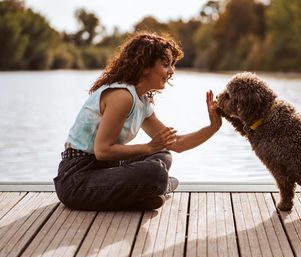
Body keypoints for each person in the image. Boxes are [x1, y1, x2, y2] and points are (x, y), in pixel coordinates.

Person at [53, 32, 222, 211]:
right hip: (76, 180)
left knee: (163, 155)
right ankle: (156, 188)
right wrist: (148, 147)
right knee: (155, 172)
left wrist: (213, 127)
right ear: (145, 66)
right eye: (166, 65)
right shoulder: (122, 96)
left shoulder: (141, 101)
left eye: (171, 65)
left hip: (105, 170)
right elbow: (102, 151)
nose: (171, 71)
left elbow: (176, 144)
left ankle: (145, 194)